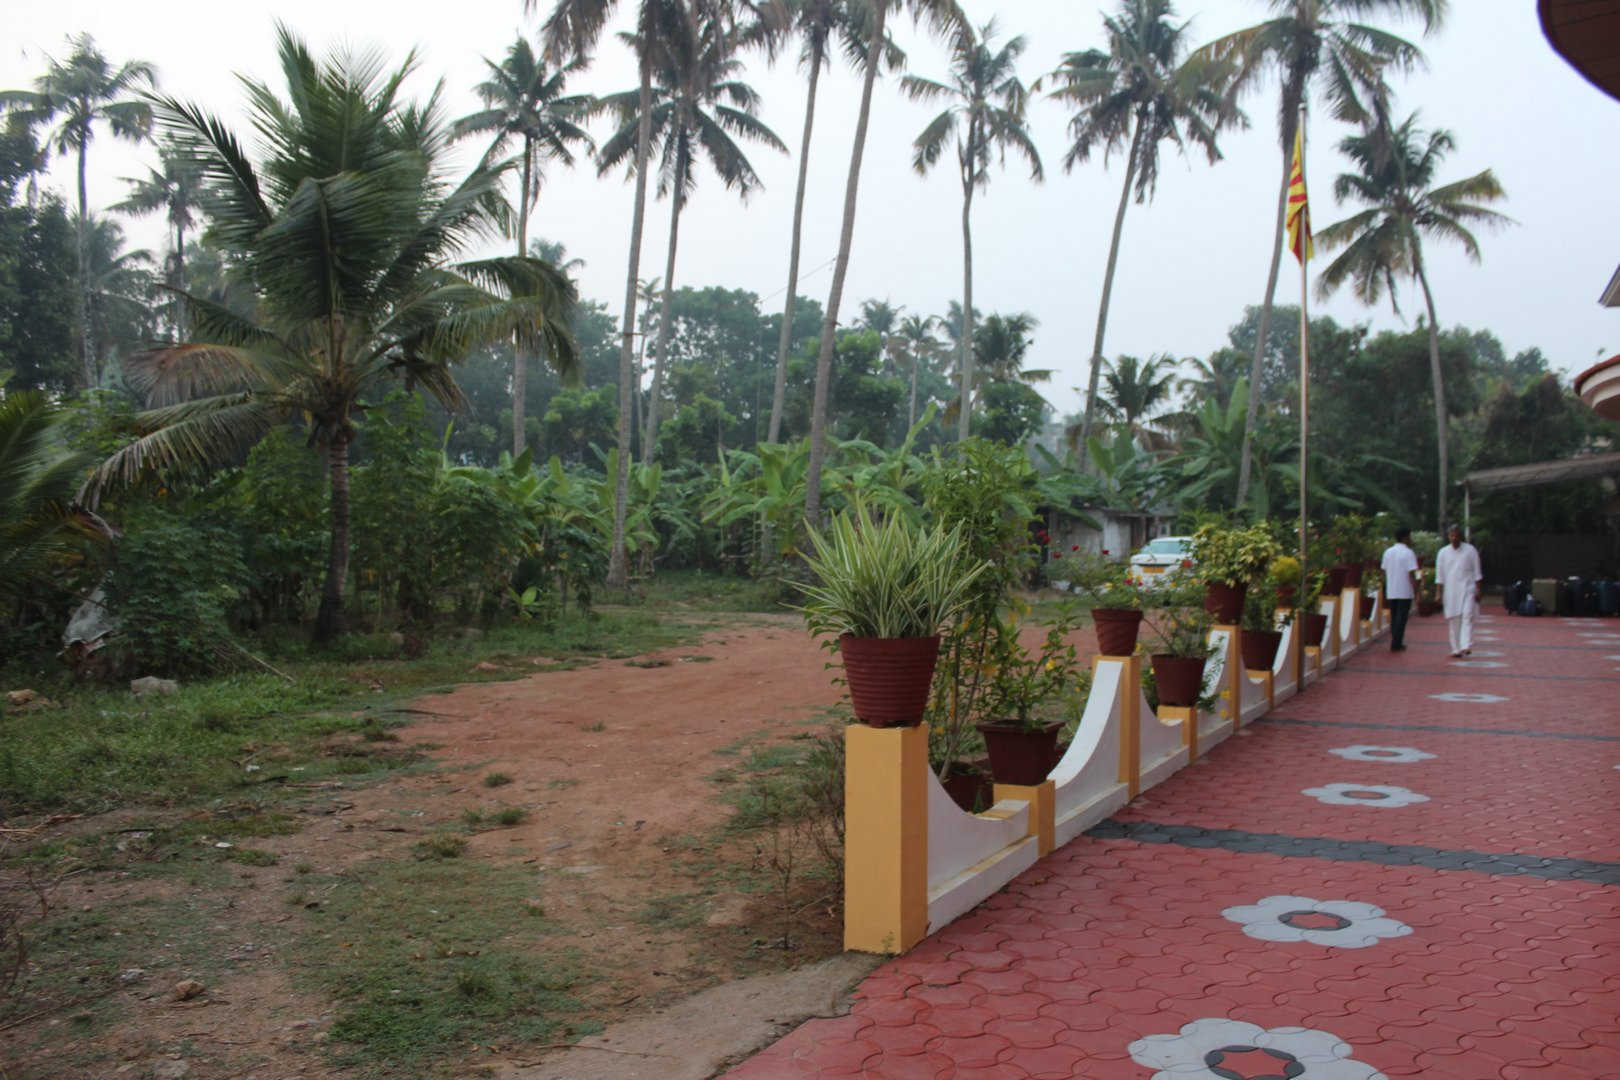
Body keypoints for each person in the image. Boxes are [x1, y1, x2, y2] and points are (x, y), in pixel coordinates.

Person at [1434, 525, 1484, 657]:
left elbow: (1477, 572)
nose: (1454, 538)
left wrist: (1479, 589)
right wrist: (1438, 593)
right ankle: (1456, 649)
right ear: (1448, 536)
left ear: (1461, 536)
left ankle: (1466, 645)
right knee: (1454, 619)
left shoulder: (1470, 550)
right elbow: (1439, 576)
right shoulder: (1442, 553)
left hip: (1468, 588)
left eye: (1456, 535)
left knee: (1468, 615)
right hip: (1451, 591)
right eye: (1451, 535)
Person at [1379, 527, 1421, 652]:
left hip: (1392, 589)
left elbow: (1384, 570)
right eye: (1409, 537)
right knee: (1401, 618)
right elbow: (1412, 573)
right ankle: (1396, 642)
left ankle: (1395, 639)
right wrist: (1416, 590)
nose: (1410, 540)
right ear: (1405, 538)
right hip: (1405, 590)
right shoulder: (1408, 553)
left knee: (1394, 616)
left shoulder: (1387, 552)